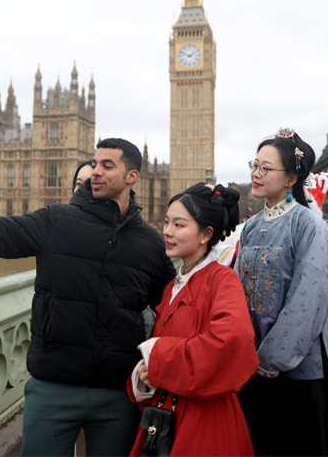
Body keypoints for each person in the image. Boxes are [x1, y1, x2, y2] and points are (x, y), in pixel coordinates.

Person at [0, 138, 176, 456]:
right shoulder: (55, 221)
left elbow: (175, 308)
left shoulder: (149, 244)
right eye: (94, 164)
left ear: (132, 176)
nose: (96, 171)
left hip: (118, 394)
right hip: (53, 388)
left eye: (107, 166)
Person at [234, 128, 328, 456]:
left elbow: (309, 298)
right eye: (255, 165)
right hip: (254, 363)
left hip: (300, 368)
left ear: (291, 178)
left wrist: (273, 358)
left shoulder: (309, 225)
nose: (256, 173)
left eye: (266, 168)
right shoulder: (253, 225)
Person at [128, 183, 258, 456]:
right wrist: (145, 374)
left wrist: (158, 358)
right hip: (166, 418)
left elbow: (232, 342)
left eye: (179, 225)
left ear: (206, 234)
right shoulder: (172, 287)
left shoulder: (222, 280)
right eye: (166, 222)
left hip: (205, 422)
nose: (167, 231)